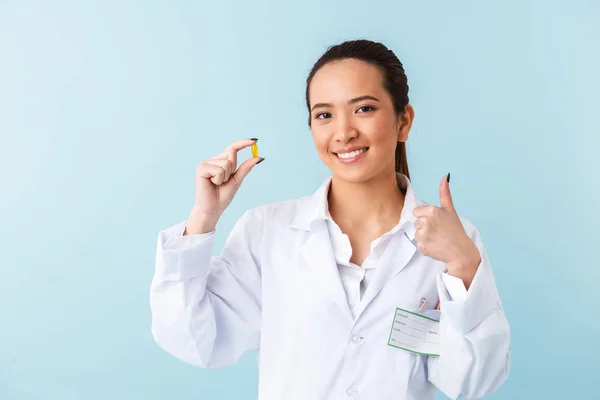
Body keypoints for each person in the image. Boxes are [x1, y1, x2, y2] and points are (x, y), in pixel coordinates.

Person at [150, 39, 510, 399]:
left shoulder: (451, 243)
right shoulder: (267, 232)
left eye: (364, 109)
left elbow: (474, 382)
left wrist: (463, 265)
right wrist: (203, 217)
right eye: (324, 115)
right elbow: (194, 340)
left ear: (404, 121)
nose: (343, 132)